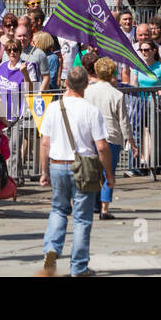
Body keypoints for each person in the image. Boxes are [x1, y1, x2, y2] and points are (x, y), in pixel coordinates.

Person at [38, 66, 115, 277]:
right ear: (86, 85)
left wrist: (44, 171)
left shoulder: (54, 108)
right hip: (83, 167)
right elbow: (101, 146)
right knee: (82, 218)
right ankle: (78, 267)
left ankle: (52, 249)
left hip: (57, 163)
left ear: (66, 83)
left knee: (58, 209)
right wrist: (109, 174)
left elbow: (45, 143)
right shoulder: (90, 110)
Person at [85, 57, 134, 220]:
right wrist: (131, 141)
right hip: (111, 137)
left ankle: (93, 204)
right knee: (108, 173)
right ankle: (104, 208)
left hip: (91, 136)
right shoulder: (117, 95)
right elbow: (124, 121)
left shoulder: (87, 91)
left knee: (93, 172)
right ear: (112, 73)